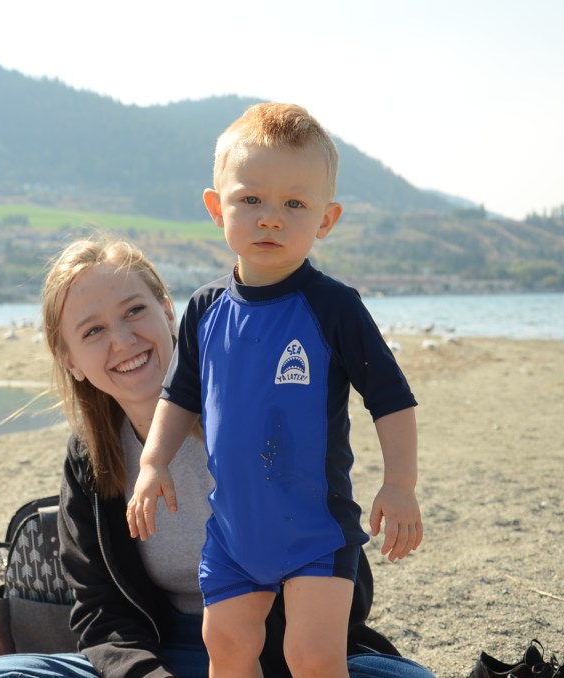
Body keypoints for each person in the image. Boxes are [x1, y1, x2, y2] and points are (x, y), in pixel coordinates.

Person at [0, 235, 433, 677]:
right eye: (93, 330)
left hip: (283, 649)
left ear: (169, 313)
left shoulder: (253, 412)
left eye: (135, 311)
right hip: (157, 651)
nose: (122, 340)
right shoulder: (91, 458)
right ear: (70, 361)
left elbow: (339, 569)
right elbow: (102, 614)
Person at [126, 103, 423, 678]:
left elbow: (391, 398)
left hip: (316, 529)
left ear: (326, 219)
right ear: (217, 208)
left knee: (311, 658)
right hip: (234, 530)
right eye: (251, 199)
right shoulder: (205, 309)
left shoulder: (334, 307)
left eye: (294, 204)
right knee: (228, 649)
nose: (270, 219)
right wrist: (153, 462)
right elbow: (179, 393)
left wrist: (401, 484)